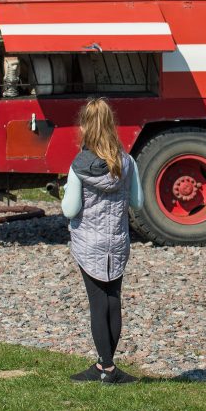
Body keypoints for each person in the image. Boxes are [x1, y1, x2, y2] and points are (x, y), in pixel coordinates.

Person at [62, 98, 143, 385]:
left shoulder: (79, 165)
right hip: (117, 241)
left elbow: (70, 209)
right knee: (113, 300)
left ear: (84, 126)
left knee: (97, 303)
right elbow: (138, 202)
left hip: (89, 243)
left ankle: (104, 367)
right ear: (111, 125)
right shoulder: (126, 161)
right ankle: (109, 367)